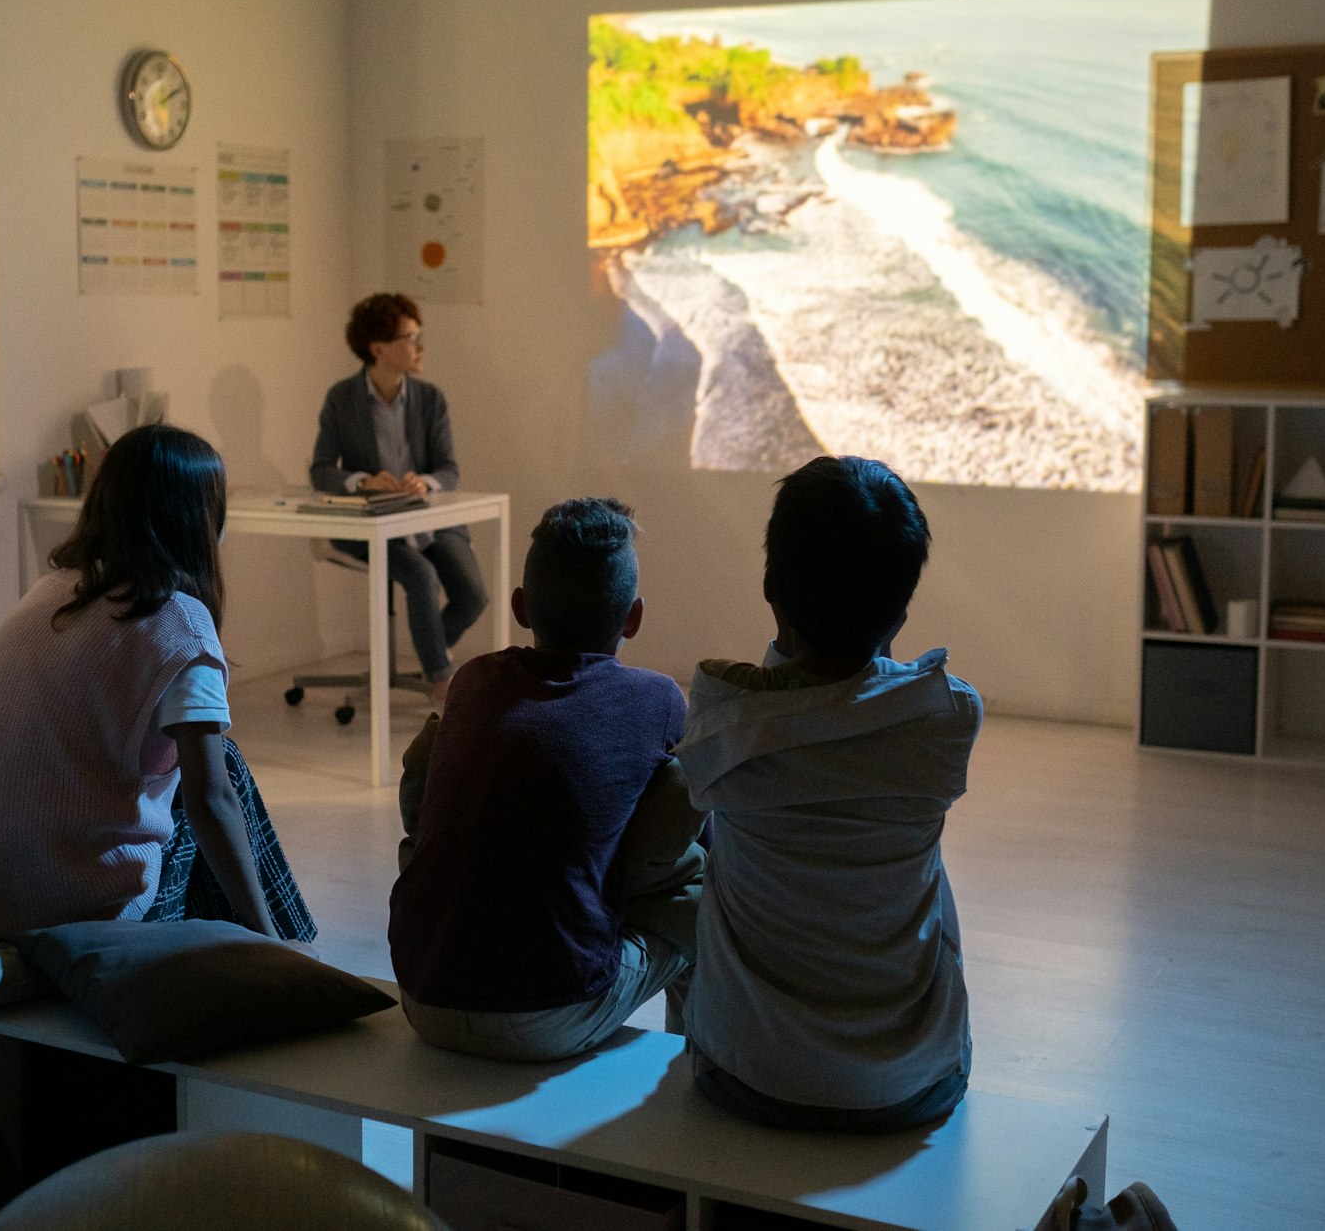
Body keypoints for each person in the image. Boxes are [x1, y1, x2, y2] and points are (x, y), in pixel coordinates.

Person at [677, 455, 981, 1132]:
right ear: (901, 610)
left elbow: (779, 696)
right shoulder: (948, 717)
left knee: (705, 846)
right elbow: (860, 697)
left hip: (743, 1076)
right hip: (914, 1085)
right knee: (922, 851)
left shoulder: (722, 716)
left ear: (769, 586)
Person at [0, 424, 313, 943]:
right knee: (225, 772)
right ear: (201, 520)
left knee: (205, 770)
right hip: (72, 909)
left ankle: (275, 948)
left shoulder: (49, 593)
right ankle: (282, 950)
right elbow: (211, 803)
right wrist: (265, 934)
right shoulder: (180, 624)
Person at [389, 498, 705, 1062]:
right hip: (551, 1012)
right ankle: (689, 1072)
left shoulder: (473, 681)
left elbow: (417, 793)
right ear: (633, 616)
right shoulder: (657, 698)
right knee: (702, 900)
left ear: (519, 607)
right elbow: (678, 828)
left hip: (421, 992)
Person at [310, 293, 487, 700]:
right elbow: (321, 470)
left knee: (473, 594)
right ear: (378, 348)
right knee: (420, 575)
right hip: (371, 528)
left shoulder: (430, 399)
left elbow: (449, 468)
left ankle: (432, 653)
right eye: (411, 337)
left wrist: (426, 482)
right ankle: (441, 684)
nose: (420, 347)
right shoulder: (342, 399)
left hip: (429, 520)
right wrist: (361, 481)